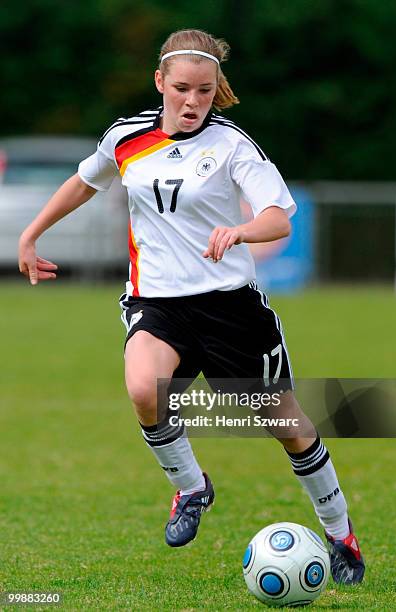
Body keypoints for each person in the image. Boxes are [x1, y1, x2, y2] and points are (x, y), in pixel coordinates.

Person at [19, 29, 364, 584]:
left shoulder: (232, 145)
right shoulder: (126, 139)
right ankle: (191, 489)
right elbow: (85, 182)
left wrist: (242, 230)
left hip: (230, 310)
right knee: (143, 388)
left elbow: (279, 215)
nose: (191, 102)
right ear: (160, 82)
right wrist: (31, 235)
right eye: (181, 88)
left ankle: (341, 534)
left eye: (204, 91)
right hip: (157, 303)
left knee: (287, 426)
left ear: (215, 90)